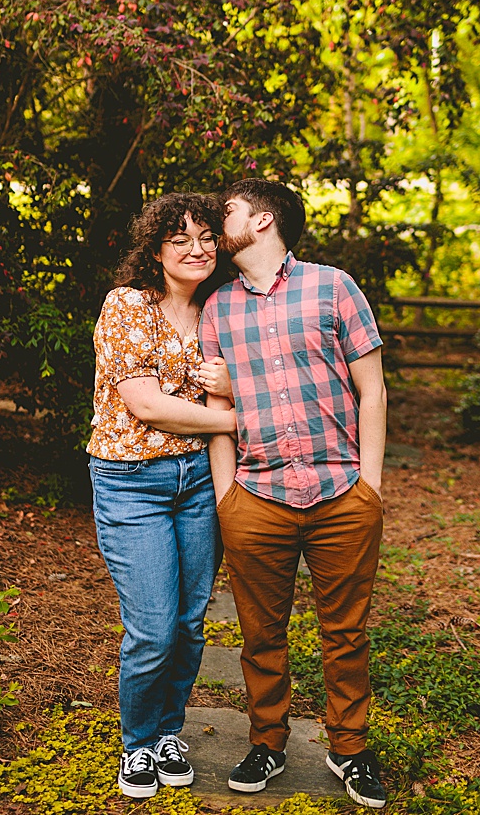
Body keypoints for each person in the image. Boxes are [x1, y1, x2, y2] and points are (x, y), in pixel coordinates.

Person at [198, 179, 389, 806]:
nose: (214, 222)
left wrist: (371, 486)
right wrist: (228, 496)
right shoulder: (218, 306)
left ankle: (349, 750)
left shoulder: (333, 286)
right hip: (256, 497)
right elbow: (216, 406)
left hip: (342, 493)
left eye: (226, 212)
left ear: (264, 219)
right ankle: (267, 744)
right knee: (260, 633)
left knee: (347, 631)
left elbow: (374, 391)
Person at [88, 192, 236, 799]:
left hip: (198, 480)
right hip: (132, 483)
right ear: (155, 249)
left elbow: (243, 378)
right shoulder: (128, 304)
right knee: (152, 627)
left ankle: (169, 732)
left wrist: (233, 390)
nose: (197, 249)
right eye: (181, 238)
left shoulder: (220, 311)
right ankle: (138, 743)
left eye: (207, 237)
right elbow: (144, 404)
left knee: (189, 621)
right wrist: (242, 419)